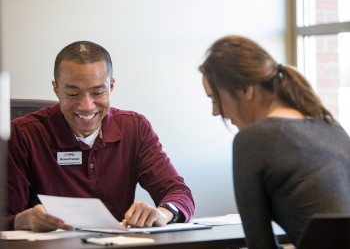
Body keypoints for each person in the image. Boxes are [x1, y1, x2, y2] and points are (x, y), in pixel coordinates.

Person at [5, 41, 195, 232]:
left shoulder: (135, 128)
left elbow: (178, 193)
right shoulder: (22, 135)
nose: (87, 106)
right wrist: (22, 220)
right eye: (72, 94)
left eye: (98, 92)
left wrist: (162, 213)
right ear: (56, 89)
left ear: (111, 86)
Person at [199, 35, 350, 249]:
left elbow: (261, 244)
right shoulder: (331, 126)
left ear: (245, 89)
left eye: (215, 99)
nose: (216, 112)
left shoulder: (252, 139)